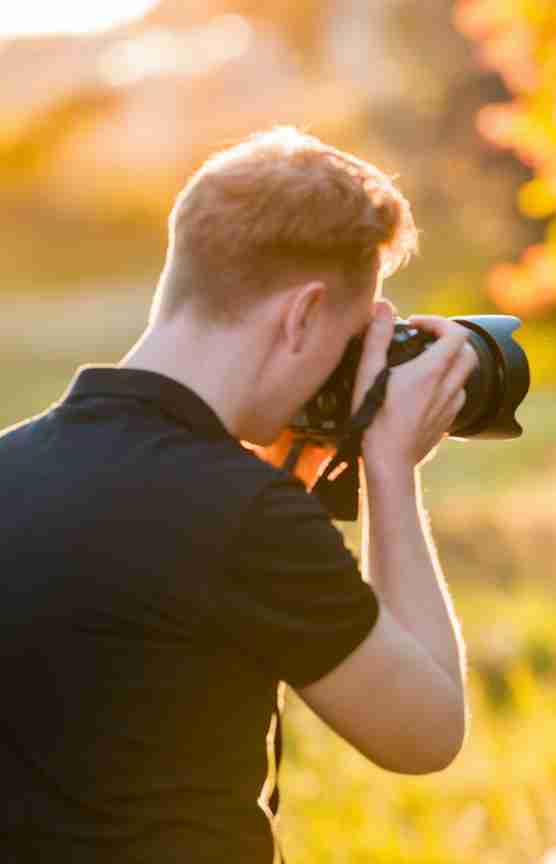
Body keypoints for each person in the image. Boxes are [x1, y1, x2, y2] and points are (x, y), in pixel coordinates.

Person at [0, 127, 477, 863]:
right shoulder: (245, 518)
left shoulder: (14, 462)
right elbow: (427, 731)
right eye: (352, 339)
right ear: (302, 316)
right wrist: (390, 468)